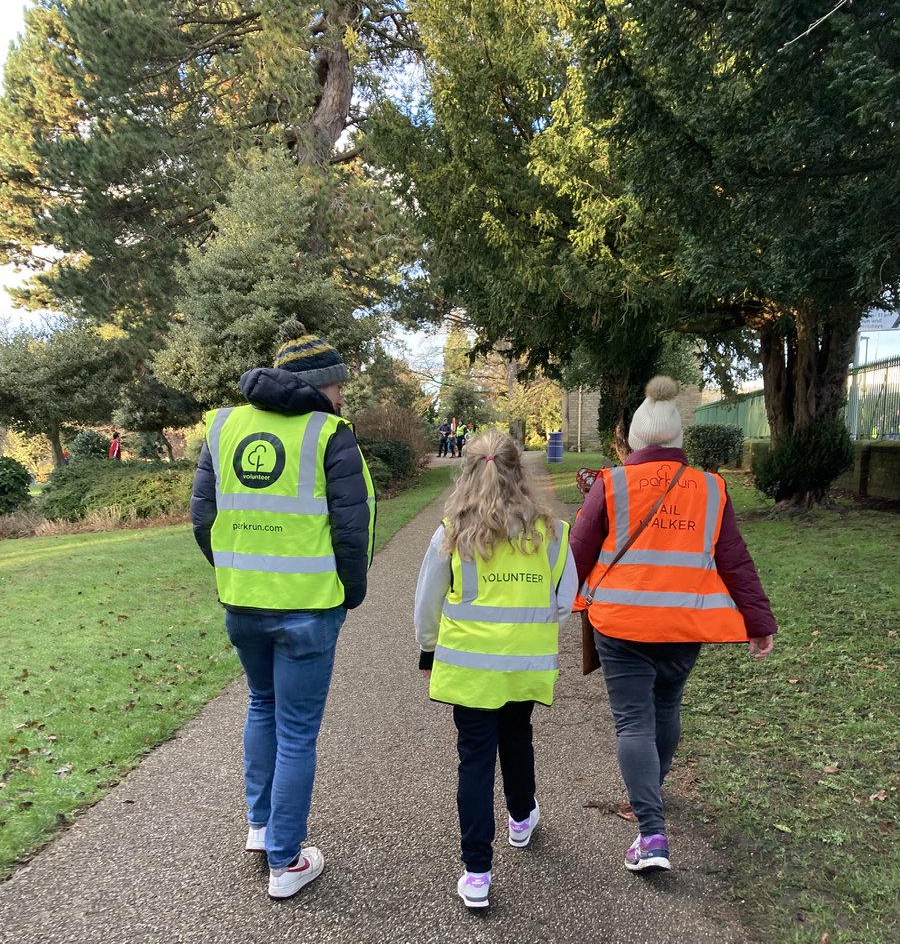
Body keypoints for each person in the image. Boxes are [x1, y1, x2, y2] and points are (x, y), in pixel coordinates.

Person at [190, 321, 375, 900]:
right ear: (321, 386)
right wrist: (351, 590)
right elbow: (352, 527)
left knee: (261, 705)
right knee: (297, 731)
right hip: (307, 608)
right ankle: (286, 861)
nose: (344, 395)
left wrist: (233, 572)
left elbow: (202, 517)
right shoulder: (330, 433)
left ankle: (260, 825)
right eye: (340, 385)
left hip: (242, 601)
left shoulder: (223, 426)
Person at [570, 376, 776, 875]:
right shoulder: (711, 487)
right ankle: (652, 795)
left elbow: (577, 550)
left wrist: (548, 605)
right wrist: (758, 620)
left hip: (620, 625)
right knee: (666, 707)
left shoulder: (613, 483)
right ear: (680, 438)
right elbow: (735, 560)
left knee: (633, 721)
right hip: (685, 625)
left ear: (637, 438)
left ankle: (651, 830)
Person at [415, 429, 578, 909]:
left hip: (469, 669)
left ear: (466, 472)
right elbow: (564, 601)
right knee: (518, 736)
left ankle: (477, 873)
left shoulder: (451, 532)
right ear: (518, 471)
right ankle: (522, 817)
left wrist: (429, 648)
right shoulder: (551, 533)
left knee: (475, 758)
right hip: (523, 664)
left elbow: (427, 603)